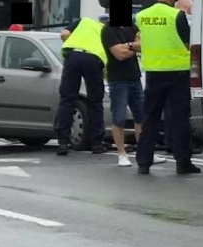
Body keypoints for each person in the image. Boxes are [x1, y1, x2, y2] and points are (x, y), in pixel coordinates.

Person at [134, 0, 199, 176]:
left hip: (153, 73)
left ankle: (143, 162)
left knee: (150, 119)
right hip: (177, 73)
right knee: (179, 120)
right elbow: (188, 44)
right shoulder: (177, 15)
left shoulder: (142, 16)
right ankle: (183, 162)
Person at [101, 12, 164, 169]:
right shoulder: (108, 30)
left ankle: (144, 152)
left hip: (135, 77)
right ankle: (121, 154)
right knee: (119, 117)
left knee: (141, 116)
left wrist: (128, 46)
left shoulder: (131, 27)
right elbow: (119, 55)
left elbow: (143, 45)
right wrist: (134, 45)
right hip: (118, 79)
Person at [55, 12, 111, 156]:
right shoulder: (107, 31)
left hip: (73, 56)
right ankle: (96, 143)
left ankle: (62, 142)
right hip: (93, 59)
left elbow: (64, 34)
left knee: (67, 99)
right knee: (95, 101)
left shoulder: (85, 21)